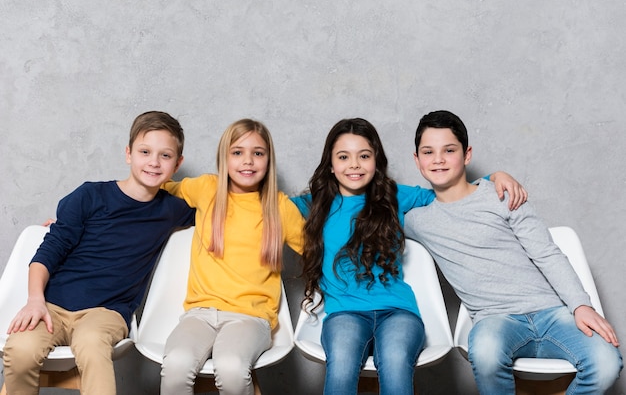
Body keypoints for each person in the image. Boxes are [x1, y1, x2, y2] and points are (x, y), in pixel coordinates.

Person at [291, 117, 527, 395]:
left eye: (364, 156)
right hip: (345, 313)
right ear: (330, 165)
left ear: (376, 162)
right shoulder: (314, 205)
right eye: (344, 157)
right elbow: (263, 206)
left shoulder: (392, 197)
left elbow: (452, 193)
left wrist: (494, 177)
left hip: (399, 313)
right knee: (341, 366)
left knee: (395, 363)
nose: (354, 164)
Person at [405, 110, 623, 394]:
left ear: (466, 154)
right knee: (484, 353)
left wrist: (580, 305)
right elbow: (363, 208)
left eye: (449, 150)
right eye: (428, 152)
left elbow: (547, 253)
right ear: (417, 160)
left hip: (552, 311)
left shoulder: (502, 195)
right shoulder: (418, 220)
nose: (438, 159)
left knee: (606, 363)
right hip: (495, 319)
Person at [3, 111, 195, 395]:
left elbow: (226, 209)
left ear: (177, 163)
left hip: (107, 312)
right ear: (129, 154)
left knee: (92, 345)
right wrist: (35, 300)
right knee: (20, 350)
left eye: (165, 156)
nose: (154, 162)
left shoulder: (172, 210)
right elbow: (48, 252)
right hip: (53, 305)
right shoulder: (89, 196)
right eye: (145, 152)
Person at [159, 119, 304, 395]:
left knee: (231, 366)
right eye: (237, 152)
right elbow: (156, 189)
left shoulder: (280, 207)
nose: (247, 161)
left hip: (250, 318)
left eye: (258, 153)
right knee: (176, 363)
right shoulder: (206, 189)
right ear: (224, 157)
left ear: (269, 160)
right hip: (199, 314)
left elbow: (319, 252)